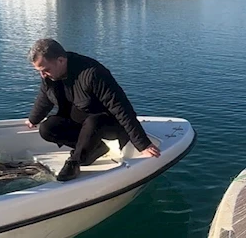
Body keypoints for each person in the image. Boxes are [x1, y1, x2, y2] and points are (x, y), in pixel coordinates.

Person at [26, 39, 160, 182]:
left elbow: (121, 108)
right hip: (82, 121)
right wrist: (33, 119)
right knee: (47, 128)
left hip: (107, 123)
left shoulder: (93, 73)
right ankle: (96, 149)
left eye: (45, 70)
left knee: (93, 121)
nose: (43, 75)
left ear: (60, 60)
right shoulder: (50, 76)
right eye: (40, 71)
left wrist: (143, 144)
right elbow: (45, 97)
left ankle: (75, 162)